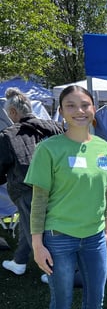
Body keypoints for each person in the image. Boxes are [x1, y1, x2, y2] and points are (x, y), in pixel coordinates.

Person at [25, 85, 107, 309]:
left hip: (94, 238)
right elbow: (38, 201)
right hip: (58, 237)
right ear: (61, 111)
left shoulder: (104, 148)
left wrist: (106, 230)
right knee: (62, 302)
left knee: (97, 299)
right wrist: (37, 244)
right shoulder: (49, 149)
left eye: (85, 105)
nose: (80, 111)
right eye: (71, 106)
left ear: (94, 109)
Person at [0, 88, 63, 277]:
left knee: (35, 229)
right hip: (56, 185)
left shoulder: (8, 135)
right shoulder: (55, 127)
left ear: (12, 112)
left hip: (25, 187)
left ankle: (51, 270)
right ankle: (19, 261)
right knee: (34, 226)